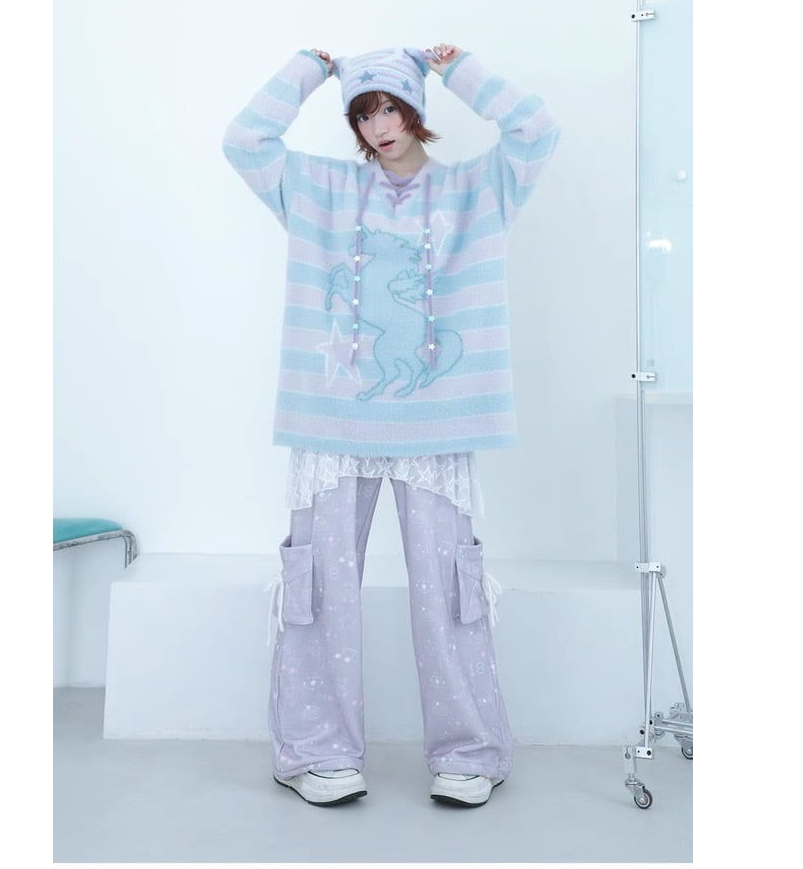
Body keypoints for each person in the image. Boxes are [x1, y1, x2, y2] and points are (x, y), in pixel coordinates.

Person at [222, 44, 559, 807]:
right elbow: (244, 141)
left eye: (390, 108)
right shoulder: (319, 190)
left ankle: (470, 751)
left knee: (447, 590)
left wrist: (461, 68)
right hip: (332, 422)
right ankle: (315, 749)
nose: (378, 126)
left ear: (415, 112)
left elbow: (537, 130)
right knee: (320, 587)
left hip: (436, 426)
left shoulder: (478, 189)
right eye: (363, 113)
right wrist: (309, 69)